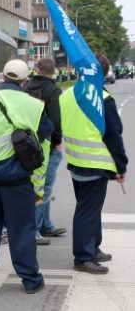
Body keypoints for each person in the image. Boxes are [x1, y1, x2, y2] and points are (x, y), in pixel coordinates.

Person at [0, 59, 52, 295]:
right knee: (22, 230)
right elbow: (46, 130)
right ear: (25, 80)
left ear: (2, 77)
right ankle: (30, 280)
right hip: (17, 179)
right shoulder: (34, 105)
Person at [61, 54, 128, 274]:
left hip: (75, 161)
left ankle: (93, 247)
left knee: (90, 209)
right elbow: (113, 135)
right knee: (87, 211)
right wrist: (121, 166)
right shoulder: (102, 97)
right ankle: (83, 257)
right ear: (104, 72)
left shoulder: (68, 94)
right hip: (95, 163)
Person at [26, 58, 68, 245]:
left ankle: (46, 224)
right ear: (53, 72)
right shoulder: (53, 90)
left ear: (37, 69)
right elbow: (56, 120)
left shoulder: (26, 87)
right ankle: (36, 230)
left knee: (37, 187)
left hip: (27, 144)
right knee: (44, 188)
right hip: (47, 145)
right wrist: (57, 142)